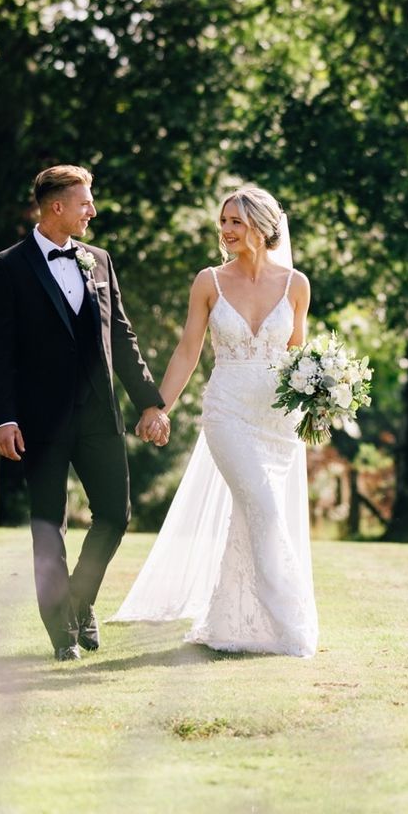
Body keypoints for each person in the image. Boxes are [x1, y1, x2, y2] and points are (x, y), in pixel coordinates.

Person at [112, 186, 319, 657]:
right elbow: (188, 350)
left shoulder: (296, 285)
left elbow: (298, 357)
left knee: (256, 514)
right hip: (226, 412)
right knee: (264, 506)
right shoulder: (209, 282)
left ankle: (237, 623)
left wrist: (320, 395)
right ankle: (291, 626)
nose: (225, 231)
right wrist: (158, 405)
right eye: (223, 221)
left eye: (235, 222)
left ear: (263, 228)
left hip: (277, 422)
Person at [0, 165, 164, 661]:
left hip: (100, 414)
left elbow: (121, 337)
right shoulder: (7, 268)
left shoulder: (99, 261)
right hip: (37, 421)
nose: (92, 211)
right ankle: (61, 636)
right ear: (57, 207)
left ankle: (78, 603)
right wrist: (4, 418)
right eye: (85, 202)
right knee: (48, 526)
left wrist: (149, 399)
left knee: (115, 515)